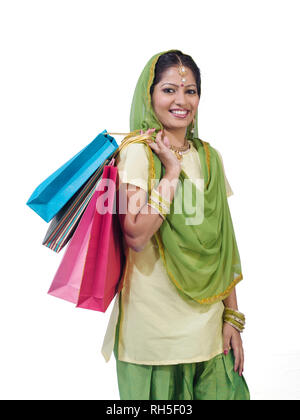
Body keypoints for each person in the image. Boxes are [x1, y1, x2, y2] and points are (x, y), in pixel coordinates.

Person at [101, 49, 250, 400]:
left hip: (208, 330)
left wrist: (233, 317)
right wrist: (170, 172)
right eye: (169, 90)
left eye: (190, 91)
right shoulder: (137, 153)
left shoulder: (210, 158)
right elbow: (135, 234)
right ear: (149, 95)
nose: (181, 100)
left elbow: (222, 245)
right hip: (153, 335)